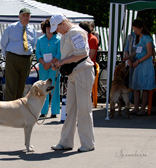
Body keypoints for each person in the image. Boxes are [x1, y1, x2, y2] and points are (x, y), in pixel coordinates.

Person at [50, 13, 95, 152]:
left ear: (63, 23)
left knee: (84, 109)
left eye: (56, 27)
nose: (56, 31)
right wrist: (60, 63)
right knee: (70, 109)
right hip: (74, 74)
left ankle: (87, 144)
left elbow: (82, 53)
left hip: (83, 72)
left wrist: (62, 62)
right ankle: (66, 142)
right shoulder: (66, 33)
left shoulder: (75, 32)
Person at [1, 8, 36, 101]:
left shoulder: (32, 29)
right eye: (24, 15)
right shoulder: (11, 27)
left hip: (26, 59)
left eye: (28, 15)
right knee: (11, 84)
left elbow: (32, 43)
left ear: (30, 17)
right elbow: (4, 42)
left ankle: (17, 107)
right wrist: (7, 56)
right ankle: (9, 108)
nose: (26, 17)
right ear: (19, 16)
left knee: (22, 85)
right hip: (13, 57)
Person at [123, 19, 155, 116]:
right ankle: (136, 107)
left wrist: (138, 61)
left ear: (141, 28)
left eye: (136, 30)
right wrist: (128, 57)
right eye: (134, 30)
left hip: (145, 65)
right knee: (136, 87)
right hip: (138, 64)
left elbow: (149, 53)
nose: (135, 32)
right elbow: (137, 51)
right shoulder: (138, 38)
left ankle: (142, 108)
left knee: (144, 88)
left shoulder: (147, 38)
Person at [35, 18, 61, 118]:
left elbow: (59, 54)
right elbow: (37, 53)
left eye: (51, 27)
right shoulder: (40, 40)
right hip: (43, 67)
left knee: (54, 88)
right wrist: (43, 63)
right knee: (43, 89)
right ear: (44, 28)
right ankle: (43, 111)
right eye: (47, 27)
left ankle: (54, 111)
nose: (49, 29)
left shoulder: (58, 40)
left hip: (54, 67)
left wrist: (50, 63)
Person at [124, 32, 136, 104]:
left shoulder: (144, 37)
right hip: (131, 61)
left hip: (140, 61)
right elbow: (126, 50)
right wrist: (128, 60)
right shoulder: (130, 36)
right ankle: (130, 100)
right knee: (131, 81)